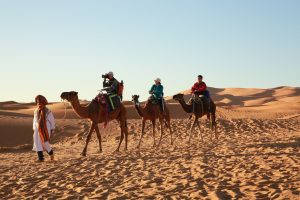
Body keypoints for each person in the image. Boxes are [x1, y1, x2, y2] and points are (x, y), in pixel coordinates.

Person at [32, 95, 55, 162]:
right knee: (37, 142)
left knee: (45, 143)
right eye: (38, 102)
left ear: (43, 102)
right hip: (37, 129)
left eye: (40, 102)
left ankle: (51, 153)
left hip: (45, 129)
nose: (39, 103)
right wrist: (34, 128)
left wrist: (52, 128)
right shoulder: (36, 111)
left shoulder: (48, 111)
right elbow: (34, 120)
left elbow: (52, 120)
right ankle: (41, 158)